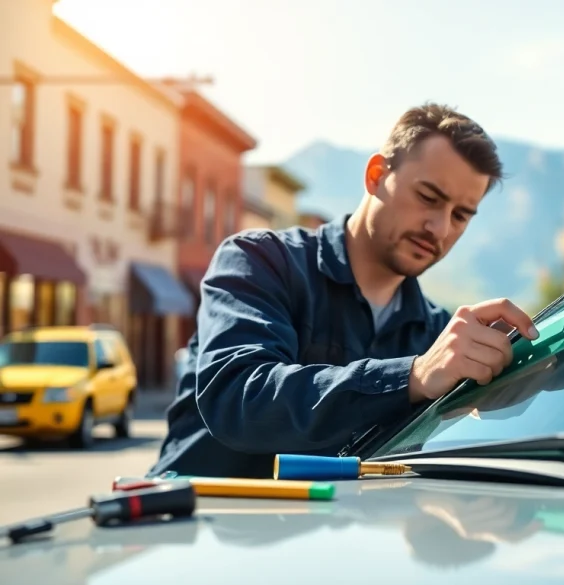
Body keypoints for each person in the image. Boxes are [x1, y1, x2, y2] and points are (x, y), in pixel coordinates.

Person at [149, 103, 539, 479]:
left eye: (459, 215)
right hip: (196, 526)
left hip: (337, 539)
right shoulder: (259, 261)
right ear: (375, 176)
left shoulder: (438, 335)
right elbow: (237, 399)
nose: (439, 227)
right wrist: (412, 376)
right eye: (428, 198)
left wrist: (527, 377)